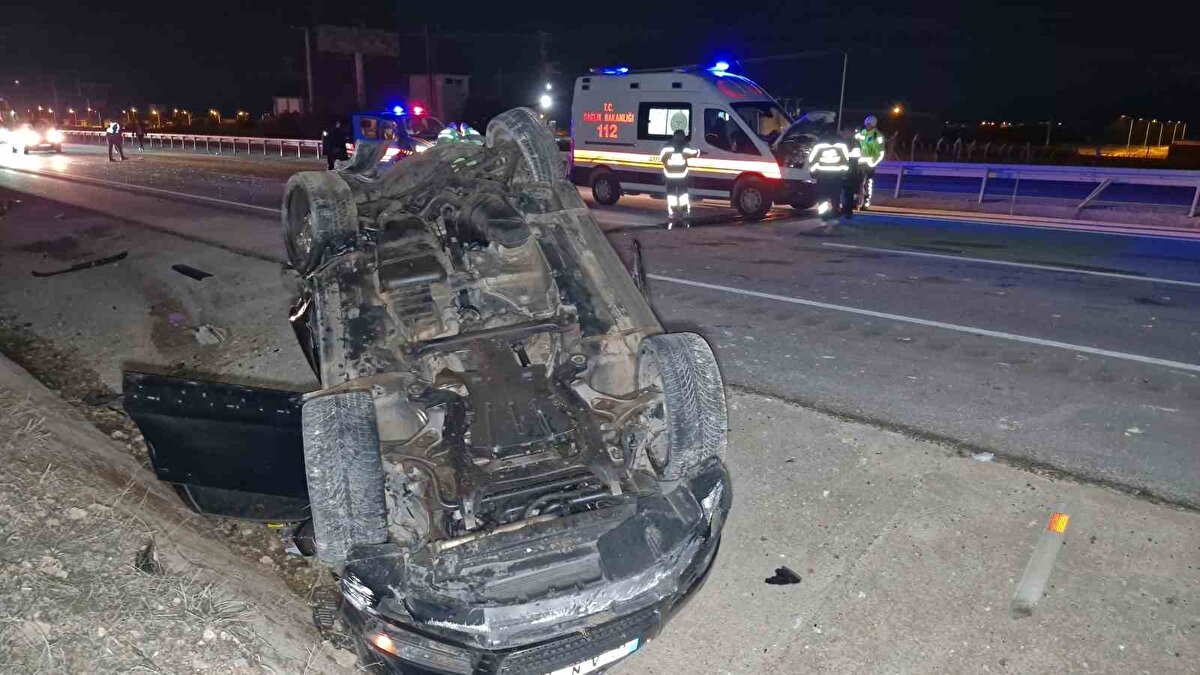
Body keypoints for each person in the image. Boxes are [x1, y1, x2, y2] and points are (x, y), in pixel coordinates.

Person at [805, 114, 851, 223]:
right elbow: (846, 159)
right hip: (836, 175)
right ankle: (834, 214)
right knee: (835, 196)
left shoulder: (820, 142)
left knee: (822, 197)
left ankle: (824, 217)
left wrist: (813, 171)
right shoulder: (841, 143)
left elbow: (812, 158)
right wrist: (844, 172)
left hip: (822, 175)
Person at [659, 129, 699, 228]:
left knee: (671, 195)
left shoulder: (667, 146)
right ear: (682, 136)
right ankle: (684, 212)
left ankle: (672, 213)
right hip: (681, 175)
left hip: (670, 175)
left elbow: (662, 159)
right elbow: (694, 153)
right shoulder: (685, 146)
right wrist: (699, 151)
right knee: (683, 194)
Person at [854, 115, 885, 209]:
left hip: (870, 163)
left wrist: (874, 163)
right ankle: (854, 201)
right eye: (866, 123)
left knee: (867, 183)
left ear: (873, 124)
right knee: (856, 182)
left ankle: (866, 202)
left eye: (869, 123)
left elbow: (881, 152)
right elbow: (856, 140)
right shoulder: (862, 133)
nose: (867, 125)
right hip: (860, 162)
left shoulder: (878, 136)